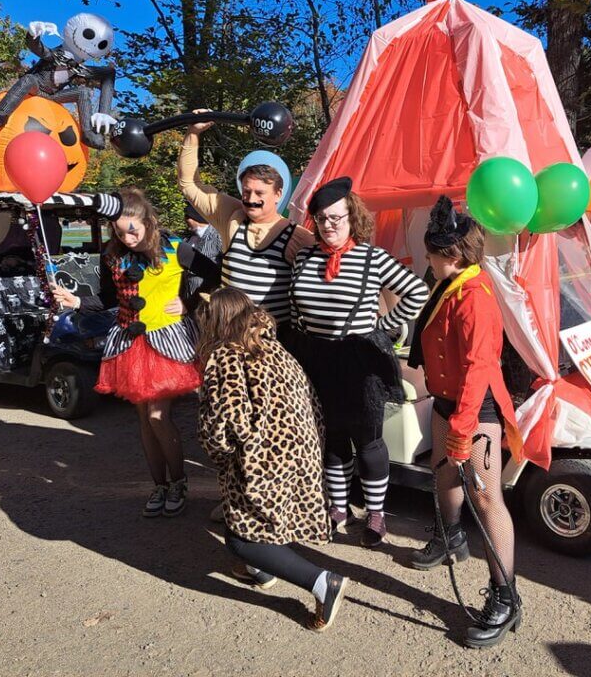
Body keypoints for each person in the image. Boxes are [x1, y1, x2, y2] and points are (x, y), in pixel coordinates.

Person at [407, 196, 526, 649]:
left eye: (432, 254)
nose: (427, 261)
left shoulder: (475, 297)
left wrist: (462, 429)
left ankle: (505, 594)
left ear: (451, 256)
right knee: (443, 474)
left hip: (476, 409)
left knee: (487, 496)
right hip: (447, 400)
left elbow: (478, 368)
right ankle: (450, 537)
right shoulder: (450, 283)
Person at [196, 287, 348, 631]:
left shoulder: (226, 357)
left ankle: (323, 581)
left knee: (241, 536)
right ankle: (261, 570)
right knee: (267, 520)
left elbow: (227, 422)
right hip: (298, 450)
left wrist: (216, 451)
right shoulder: (272, 344)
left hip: (260, 460)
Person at [288, 177, 429, 547]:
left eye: (336, 218)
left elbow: (417, 291)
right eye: (321, 219)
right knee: (332, 438)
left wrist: (381, 329)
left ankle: (376, 514)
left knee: (368, 441)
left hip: (360, 362)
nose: (329, 225)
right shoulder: (305, 256)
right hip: (317, 358)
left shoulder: (372, 257)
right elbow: (294, 304)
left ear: (352, 217)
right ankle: (338, 507)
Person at [51, 189, 209, 518]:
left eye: (133, 230)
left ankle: (179, 482)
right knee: (144, 420)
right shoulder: (113, 257)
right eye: (120, 232)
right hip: (129, 344)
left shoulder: (177, 248)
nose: (128, 237)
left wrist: (189, 302)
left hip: (169, 342)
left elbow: (215, 274)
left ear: (148, 221)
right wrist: (76, 301)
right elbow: (107, 298)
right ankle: (159, 485)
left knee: (157, 416)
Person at [177, 111, 313, 339]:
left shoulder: (297, 236)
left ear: (278, 194)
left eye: (259, 192)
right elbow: (189, 183)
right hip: (228, 337)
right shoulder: (232, 216)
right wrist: (193, 133)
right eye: (246, 191)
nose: (250, 198)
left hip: (273, 345)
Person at [181, 202, 223, 299]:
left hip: (210, 298)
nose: (186, 220)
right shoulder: (188, 239)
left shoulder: (218, 237)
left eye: (187, 217)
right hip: (189, 298)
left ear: (194, 217)